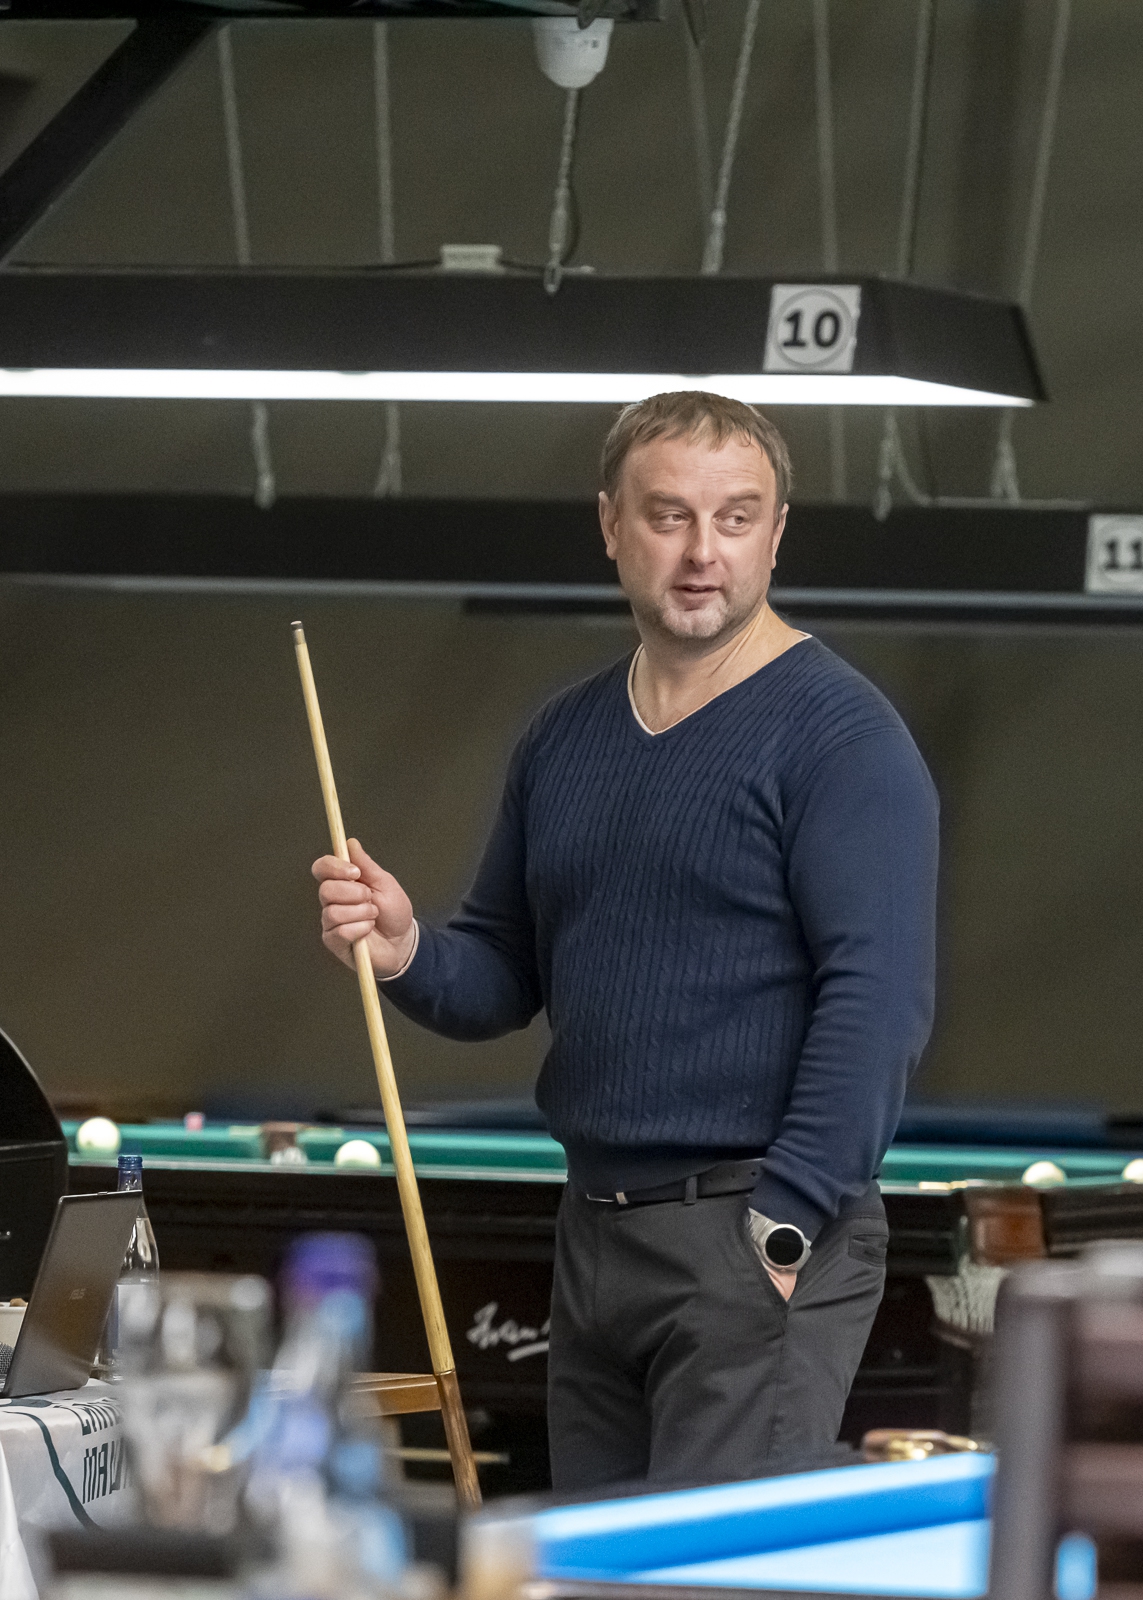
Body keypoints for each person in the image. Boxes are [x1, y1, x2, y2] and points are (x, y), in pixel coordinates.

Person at [310, 392, 938, 1489]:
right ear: (611, 524)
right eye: (669, 515)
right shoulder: (563, 736)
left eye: (735, 518)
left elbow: (878, 1002)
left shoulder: (843, 739)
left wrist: (785, 1227)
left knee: (707, 1568)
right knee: (594, 1565)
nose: (703, 553)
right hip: (593, 1236)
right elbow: (502, 973)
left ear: (776, 533)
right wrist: (407, 947)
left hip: (753, 1232)